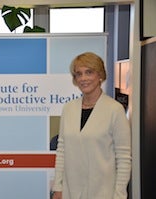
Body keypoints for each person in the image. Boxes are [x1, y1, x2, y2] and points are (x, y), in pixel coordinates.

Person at [52, 52, 131, 199]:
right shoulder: (69, 108)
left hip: (104, 192)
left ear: (100, 75)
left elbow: (124, 158)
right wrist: (58, 186)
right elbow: (62, 150)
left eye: (89, 72)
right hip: (70, 191)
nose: (83, 78)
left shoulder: (114, 110)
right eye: (78, 74)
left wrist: (119, 195)